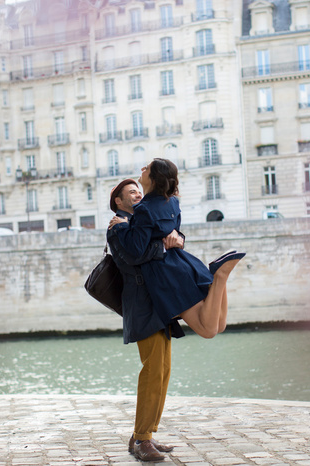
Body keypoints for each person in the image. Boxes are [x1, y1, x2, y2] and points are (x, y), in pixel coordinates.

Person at [109, 158, 245, 340]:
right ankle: (219, 278)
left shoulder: (143, 209)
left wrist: (123, 226)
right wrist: (177, 237)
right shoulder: (172, 202)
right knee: (218, 325)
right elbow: (174, 232)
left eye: (147, 168)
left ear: (154, 179)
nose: (142, 168)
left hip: (167, 274)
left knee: (208, 331)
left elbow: (136, 249)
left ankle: (220, 276)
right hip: (183, 263)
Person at [106, 178, 184, 462]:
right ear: (118, 200)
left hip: (159, 301)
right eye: (131, 192)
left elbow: (174, 237)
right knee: (152, 370)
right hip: (141, 305)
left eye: (139, 189)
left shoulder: (144, 219)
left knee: (163, 370)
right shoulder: (117, 226)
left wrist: (176, 240)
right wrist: (163, 246)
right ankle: (141, 439)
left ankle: (145, 433)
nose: (138, 193)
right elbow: (132, 257)